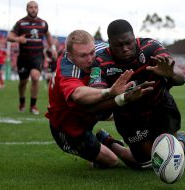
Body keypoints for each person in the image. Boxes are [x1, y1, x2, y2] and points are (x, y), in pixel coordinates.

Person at [89, 19, 185, 169]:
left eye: (128, 43)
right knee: (146, 163)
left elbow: (180, 78)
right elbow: (96, 98)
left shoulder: (151, 47)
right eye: (119, 45)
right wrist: (121, 96)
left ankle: (181, 141)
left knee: (166, 153)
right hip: (129, 116)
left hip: (160, 107)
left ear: (134, 38)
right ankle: (109, 142)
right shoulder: (100, 62)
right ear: (109, 43)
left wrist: (171, 74)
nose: (125, 48)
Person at [45, 30, 154, 168]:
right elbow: (78, 94)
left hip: (93, 110)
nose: (90, 59)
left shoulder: (101, 48)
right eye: (83, 56)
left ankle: (164, 139)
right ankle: (107, 141)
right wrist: (110, 91)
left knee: (142, 159)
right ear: (70, 56)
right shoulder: (67, 69)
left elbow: (127, 47)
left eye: (91, 52)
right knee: (112, 162)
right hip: (69, 126)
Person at [7, 1, 58, 115]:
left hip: (37, 56)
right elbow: (9, 36)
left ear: (38, 9)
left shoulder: (43, 23)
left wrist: (53, 48)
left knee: (35, 77)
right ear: (27, 9)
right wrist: (18, 39)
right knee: (23, 82)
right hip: (23, 57)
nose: (33, 9)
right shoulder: (20, 23)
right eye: (31, 7)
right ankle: (22, 101)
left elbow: (48, 35)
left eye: (35, 7)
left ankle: (33, 106)